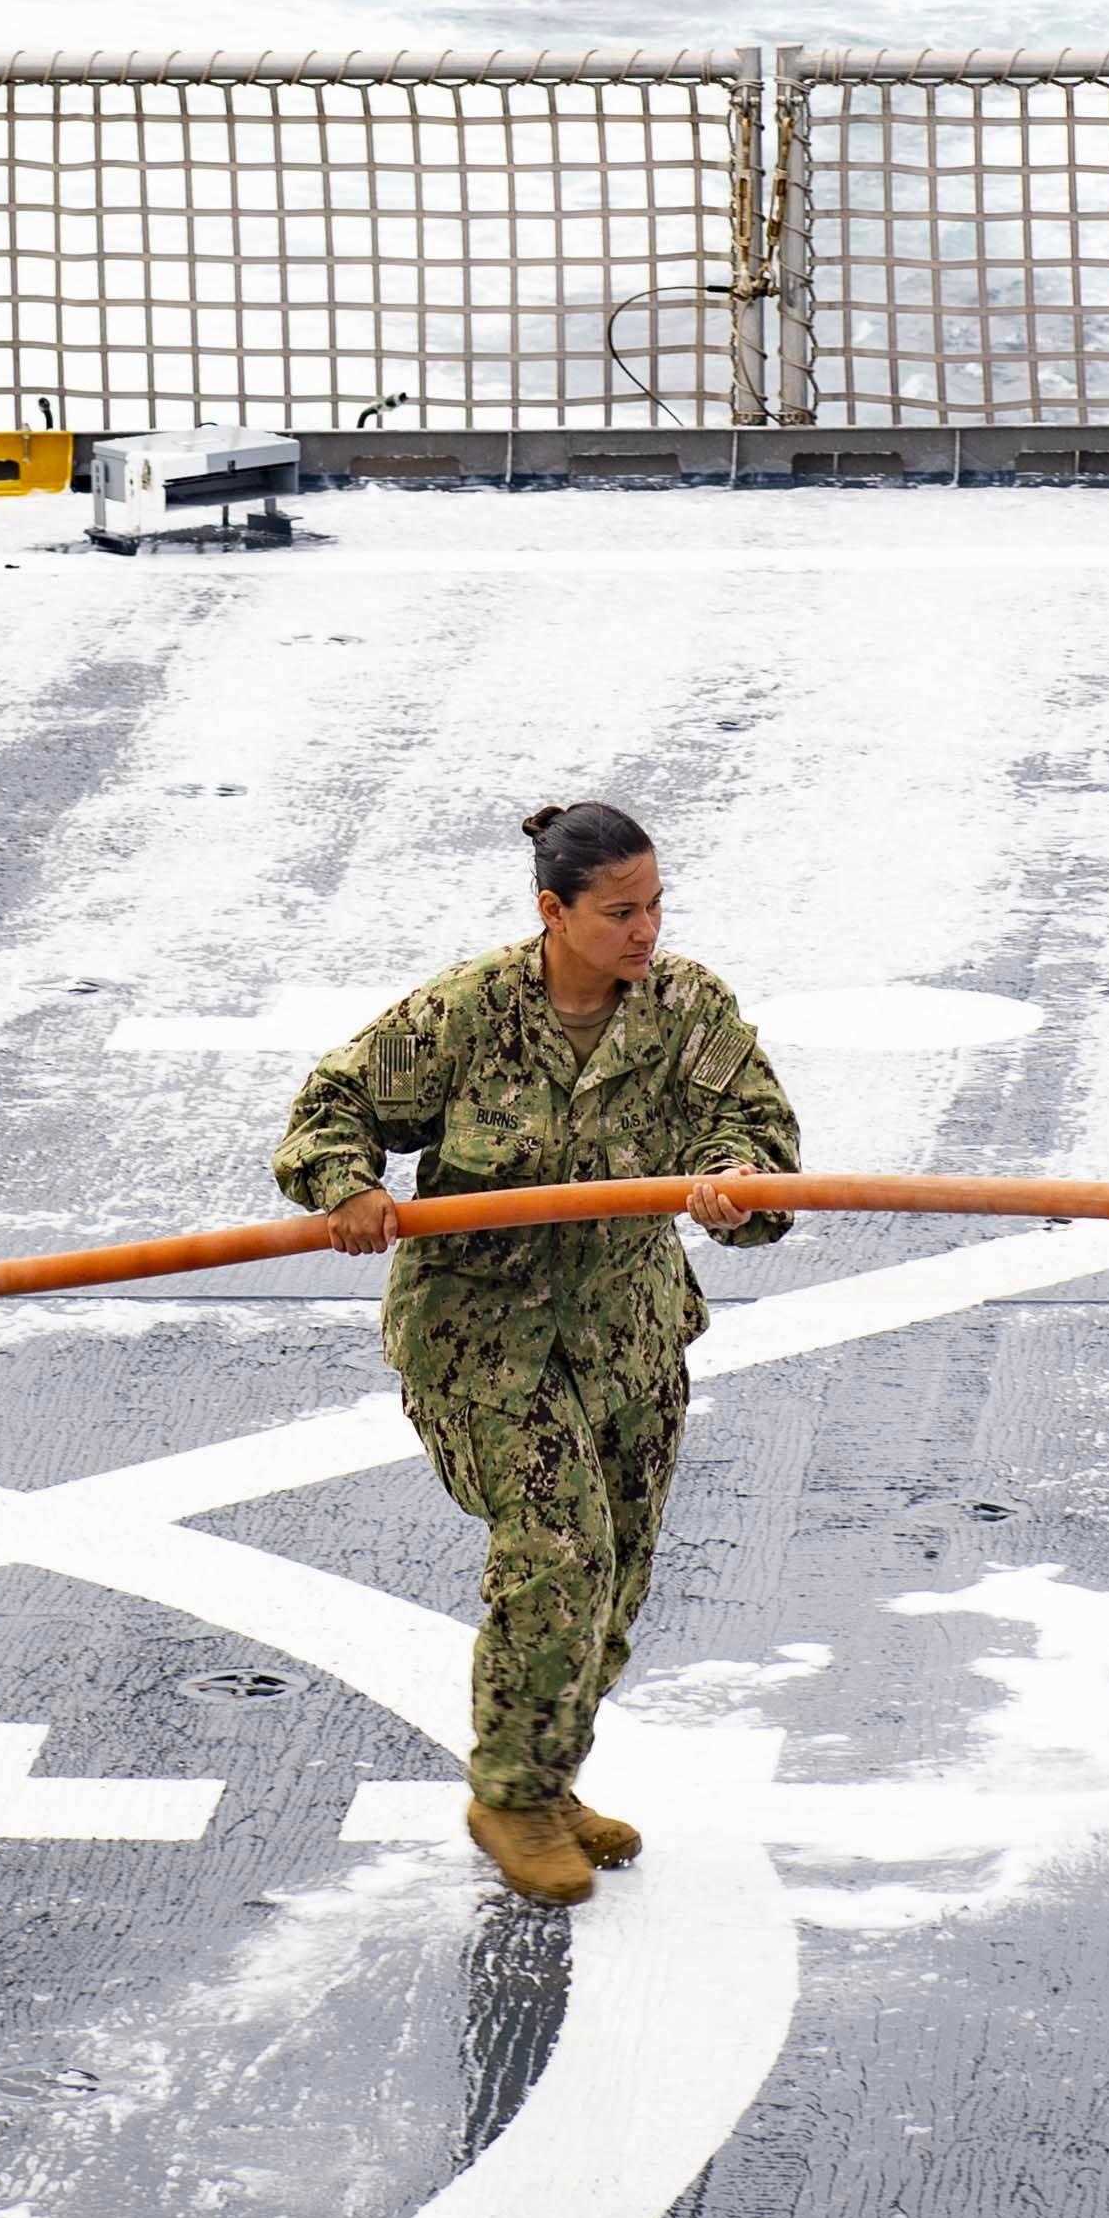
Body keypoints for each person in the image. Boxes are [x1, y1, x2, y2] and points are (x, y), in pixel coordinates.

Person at [273, 801, 798, 1907]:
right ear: (554, 911)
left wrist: (732, 1188)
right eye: (619, 912)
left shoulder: (687, 1007)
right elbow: (332, 1106)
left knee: (616, 1574)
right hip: (487, 1340)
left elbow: (759, 1138)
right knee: (559, 1553)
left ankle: (549, 1777)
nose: (646, 930)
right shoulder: (468, 1015)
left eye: (655, 905)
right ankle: (508, 1792)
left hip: (629, 1334)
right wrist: (351, 1187)